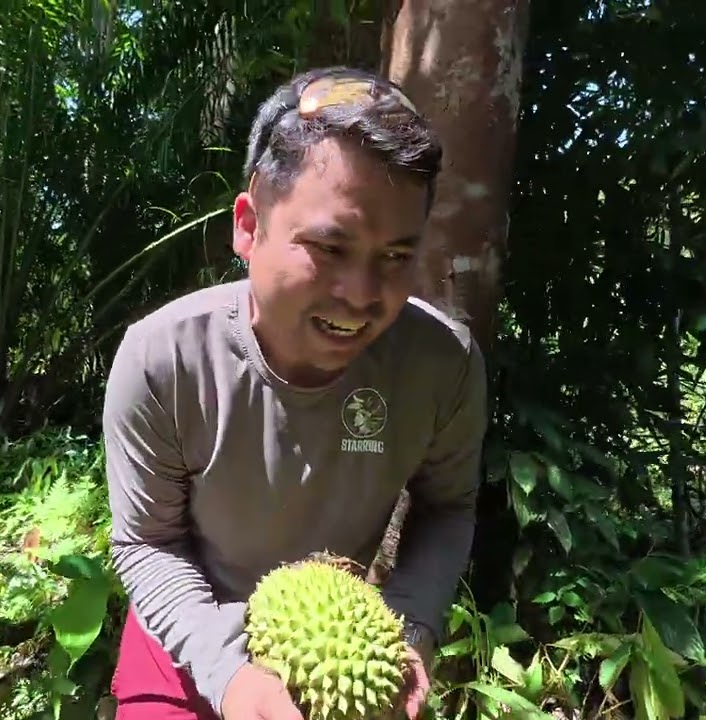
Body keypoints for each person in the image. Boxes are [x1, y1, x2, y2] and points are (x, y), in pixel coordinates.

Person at [103, 65, 488, 720]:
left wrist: (411, 625)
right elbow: (146, 543)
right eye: (329, 248)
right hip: (184, 633)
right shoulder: (163, 359)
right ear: (249, 226)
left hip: (335, 657)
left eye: (395, 257)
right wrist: (230, 675)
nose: (362, 295)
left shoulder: (442, 364)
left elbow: (448, 507)